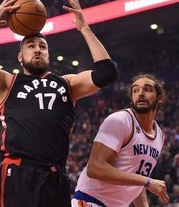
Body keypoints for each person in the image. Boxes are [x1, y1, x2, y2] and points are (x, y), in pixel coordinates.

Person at [0, 0, 118, 207]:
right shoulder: (6, 82)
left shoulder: (68, 83)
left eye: (42, 47)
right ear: (20, 56)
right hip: (19, 173)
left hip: (56, 175)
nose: (37, 50)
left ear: (48, 55)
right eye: (31, 46)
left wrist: (84, 28)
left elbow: (107, 73)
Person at [71, 73, 170, 207]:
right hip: (91, 201)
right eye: (135, 90)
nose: (140, 93)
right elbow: (95, 168)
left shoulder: (159, 136)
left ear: (160, 98)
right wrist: (147, 181)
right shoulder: (120, 120)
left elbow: (136, 180)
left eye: (147, 89)